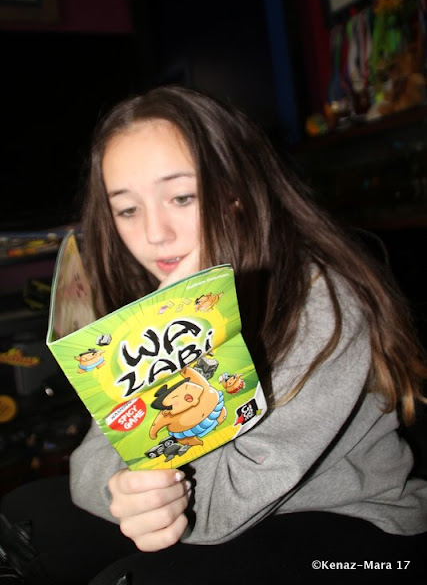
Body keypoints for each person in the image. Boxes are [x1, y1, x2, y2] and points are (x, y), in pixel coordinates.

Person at [2, 85, 427, 584]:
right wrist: (127, 492)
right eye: (128, 210)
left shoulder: (320, 301)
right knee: (27, 513)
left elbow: (227, 501)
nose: (155, 234)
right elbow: (95, 455)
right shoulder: (162, 297)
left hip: (357, 526)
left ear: (236, 193)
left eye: (182, 197)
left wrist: (159, 494)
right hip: (229, 507)